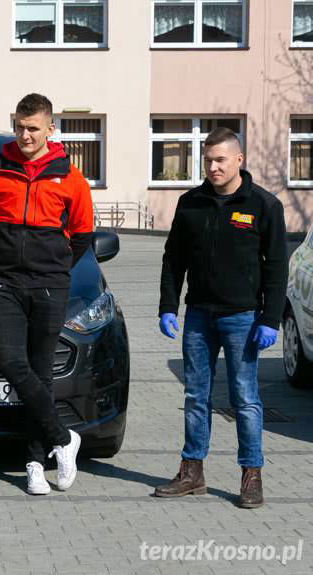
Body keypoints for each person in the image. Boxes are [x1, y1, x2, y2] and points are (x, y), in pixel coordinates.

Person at [155, 127, 288, 508]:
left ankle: (251, 474)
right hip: (199, 316)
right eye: (208, 161)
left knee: (244, 397)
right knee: (195, 395)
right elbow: (173, 259)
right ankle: (192, 472)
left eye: (220, 160)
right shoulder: (191, 203)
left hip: (242, 318)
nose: (213, 167)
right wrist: (168, 307)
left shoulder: (263, 205)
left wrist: (270, 319)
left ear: (239, 161)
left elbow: (277, 266)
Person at [0, 94, 93, 495]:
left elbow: (82, 235)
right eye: (20, 127)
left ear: (50, 129)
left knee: (41, 374)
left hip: (49, 284)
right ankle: (63, 437)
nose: (25, 135)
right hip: (5, 282)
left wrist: (55, 266)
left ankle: (34, 463)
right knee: (10, 361)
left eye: (33, 128)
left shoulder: (71, 177)